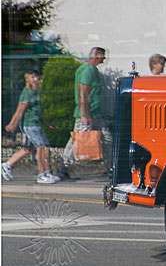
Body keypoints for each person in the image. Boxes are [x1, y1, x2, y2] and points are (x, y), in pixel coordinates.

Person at [59, 47, 113, 178]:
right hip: (88, 114)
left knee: (107, 139)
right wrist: (85, 114)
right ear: (96, 56)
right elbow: (83, 93)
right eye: (102, 56)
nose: (104, 59)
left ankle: (111, 167)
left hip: (95, 113)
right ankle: (63, 167)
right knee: (76, 141)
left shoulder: (89, 70)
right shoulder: (88, 71)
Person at [2, 69, 60, 184]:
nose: (36, 79)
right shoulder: (27, 93)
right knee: (42, 147)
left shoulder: (34, 92)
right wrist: (12, 124)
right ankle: (42, 174)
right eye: (33, 77)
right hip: (30, 125)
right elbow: (20, 111)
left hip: (35, 124)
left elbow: (37, 112)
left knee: (28, 149)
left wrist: (48, 124)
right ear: (27, 79)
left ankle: (7, 165)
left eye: (37, 77)